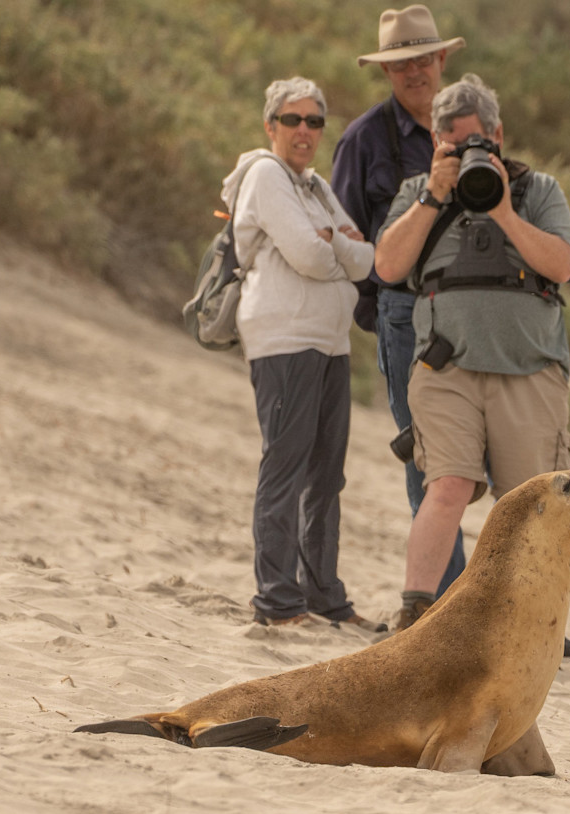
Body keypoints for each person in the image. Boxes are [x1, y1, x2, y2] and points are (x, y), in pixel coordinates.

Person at [374, 74, 570, 659]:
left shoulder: (539, 190)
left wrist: (502, 209)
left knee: (534, 504)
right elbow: (388, 266)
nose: (465, 155)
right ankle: (415, 613)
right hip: (446, 368)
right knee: (447, 487)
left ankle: (533, 624)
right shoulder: (417, 192)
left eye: (475, 142)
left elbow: (560, 265)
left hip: (529, 369)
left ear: (498, 135)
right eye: (451, 145)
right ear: (435, 142)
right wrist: (434, 195)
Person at [225, 76, 382, 631]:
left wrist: (332, 242)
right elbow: (311, 257)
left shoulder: (314, 185)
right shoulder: (266, 175)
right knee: (286, 468)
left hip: (330, 342)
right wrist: (338, 245)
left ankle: (324, 596)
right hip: (285, 338)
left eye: (314, 121)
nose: (304, 131)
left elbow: (366, 260)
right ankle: (277, 599)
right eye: (292, 119)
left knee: (326, 475)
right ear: (271, 125)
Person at [332, 4, 469, 598]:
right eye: (401, 65)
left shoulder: (469, 129)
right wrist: (379, 315)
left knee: (494, 463)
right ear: (386, 72)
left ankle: (500, 611)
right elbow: (344, 238)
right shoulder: (363, 140)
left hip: (473, 316)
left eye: (422, 60)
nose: (414, 72)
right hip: (406, 320)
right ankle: (447, 605)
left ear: (441, 60)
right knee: (430, 462)